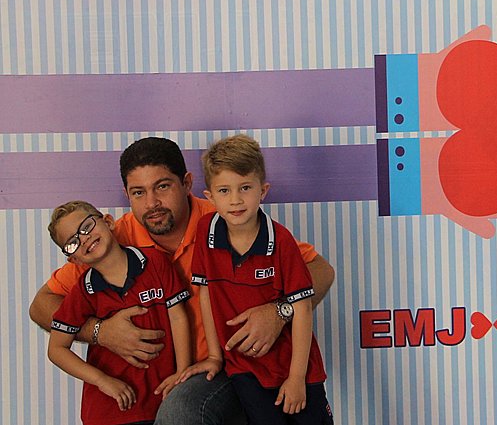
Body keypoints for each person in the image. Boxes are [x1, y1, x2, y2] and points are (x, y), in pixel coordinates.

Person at [29, 137, 335, 424]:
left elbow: (320, 270)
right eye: (138, 193)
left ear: (187, 183)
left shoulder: (224, 218)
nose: (152, 203)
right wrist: (101, 332)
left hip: (226, 363)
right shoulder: (109, 240)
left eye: (162, 186)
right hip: (158, 377)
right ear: (127, 195)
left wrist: (278, 311)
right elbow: (42, 305)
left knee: (180, 409)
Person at [180, 134, 333, 424]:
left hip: (294, 368)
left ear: (263, 191)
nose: (235, 200)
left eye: (245, 188)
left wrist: (296, 378)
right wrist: (215, 356)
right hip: (245, 369)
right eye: (224, 190)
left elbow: (301, 307)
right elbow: (206, 292)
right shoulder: (205, 231)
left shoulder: (282, 241)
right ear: (210, 197)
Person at [47, 200, 192, 425]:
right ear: (73, 259)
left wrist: (182, 373)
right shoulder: (84, 291)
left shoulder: (155, 262)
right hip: (109, 410)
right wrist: (101, 380)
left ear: (108, 222)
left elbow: (178, 317)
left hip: (161, 399)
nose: (84, 239)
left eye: (86, 227)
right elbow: (56, 349)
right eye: (73, 242)